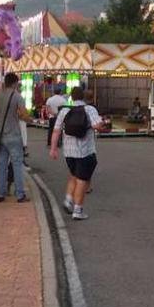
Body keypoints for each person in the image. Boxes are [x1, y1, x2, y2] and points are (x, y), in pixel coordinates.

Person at [50, 86, 102, 220]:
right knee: (82, 181)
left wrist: (53, 148)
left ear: (71, 97)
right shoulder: (90, 109)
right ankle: (78, 210)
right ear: (83, 97)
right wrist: (101, 123)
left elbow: (56, 131)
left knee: (74, 175)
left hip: (68, 152)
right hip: (85, 151)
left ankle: (68, 200)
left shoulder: (65, 111)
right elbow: (97, 126)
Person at [0, 72, 30, 203]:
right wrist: (28, 118)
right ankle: (20, 194)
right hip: (13, 135)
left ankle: (0, 194)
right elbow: (23, 115)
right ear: (14, 83)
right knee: (17, 164)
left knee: (1, 165)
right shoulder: (17, 96)